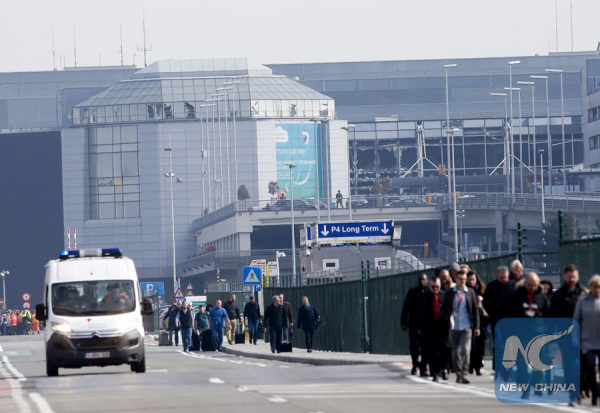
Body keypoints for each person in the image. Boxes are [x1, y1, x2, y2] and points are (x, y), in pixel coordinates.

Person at [550, 264, 587, 405]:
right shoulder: (558, 295)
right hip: (564, 336)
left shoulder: (583, 294)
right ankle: (573, 393)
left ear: (577, 277)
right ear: (564, 276)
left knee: (584, 364)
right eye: (569, 276)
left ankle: (581, 388)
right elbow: (552, 318)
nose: (572, 279)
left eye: (574, 277)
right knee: (568, 365)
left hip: (583, 336)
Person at [444, 270, 480, 384]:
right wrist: (447, 318)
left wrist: (477, 327)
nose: (463, 281)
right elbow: (444, 308)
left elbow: (475, 310)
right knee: (455, 352)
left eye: (464, 279)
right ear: (456, 279)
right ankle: (458, 374)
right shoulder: (450, 293)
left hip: (467, 326)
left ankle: (464, 374)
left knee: (466, 350)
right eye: (460, 279)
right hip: (454, 326)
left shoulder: (470, 292)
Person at [574, 275, 600, 407]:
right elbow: (576, 320)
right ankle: (595, 392)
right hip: (587, 341)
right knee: (589, 367)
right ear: (590, 287)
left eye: (599, 288)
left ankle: (597, 392)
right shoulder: (583, 301)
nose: (597, 290)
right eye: (595, 287)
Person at [417, 277, 450, 382]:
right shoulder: (424, 297)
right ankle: (435, 372)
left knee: (445, 348)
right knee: (432, 351)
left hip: (443, 327)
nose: (435, 289)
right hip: (430, 327)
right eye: (433, 287)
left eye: (437, 287)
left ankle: (444, 369)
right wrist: (421, 328)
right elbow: (420, 313)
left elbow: (449, 310)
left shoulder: (444, 296)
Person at [401, 273, 429, 376]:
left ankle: (423, 367)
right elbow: (405, 308)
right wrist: (403, 323)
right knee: (414, 346)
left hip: (426, 326)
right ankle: (415, 364)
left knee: (425, 347)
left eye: (424, 279)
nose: (422, 281)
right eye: (420, 279)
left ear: (427, 281)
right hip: (414, 325)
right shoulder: (412, 293)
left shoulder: (429, 292)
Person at [466, 270, 487, 376]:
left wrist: (481, 299)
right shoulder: (466, 291)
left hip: (481, 321)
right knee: (471, 345)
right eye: (469, 280)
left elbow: (488, 303)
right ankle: (471, 366)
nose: (471, 282)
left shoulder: (482, 290)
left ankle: (478, 366)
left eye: (473, 279)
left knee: (480, 344)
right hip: (470, 321)